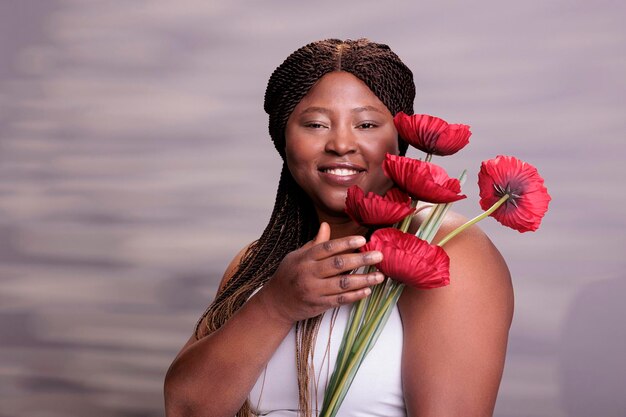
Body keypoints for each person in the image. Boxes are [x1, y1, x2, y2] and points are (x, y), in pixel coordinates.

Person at [164, 38, 513, 417]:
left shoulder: (444, 250)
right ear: (283, 137)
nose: (341, 144)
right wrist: (276, 306)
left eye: (366, 124)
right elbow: (185, 409)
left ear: (400, 137)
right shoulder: (257, 264)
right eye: (315, 124)